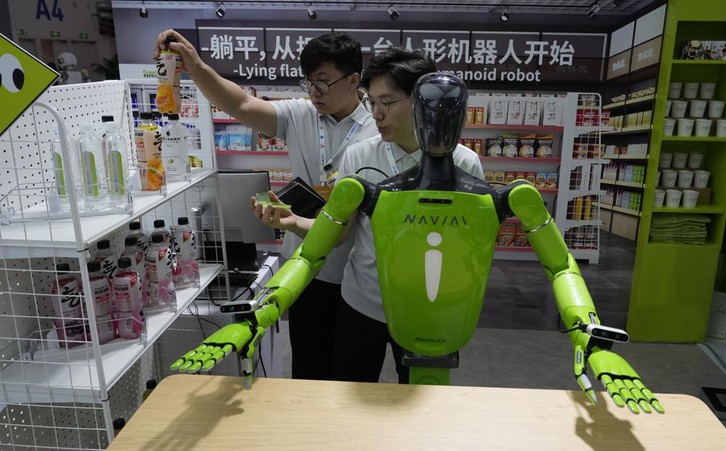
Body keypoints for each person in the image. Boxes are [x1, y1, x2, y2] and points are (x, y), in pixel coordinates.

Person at [154, 30, 377, 380]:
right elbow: (241, 104)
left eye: (323, 83)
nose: (313, 93)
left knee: (352, 376)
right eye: (309, 83)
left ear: (353, 80)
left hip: (357, 273)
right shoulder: (300, 115)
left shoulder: (377, 129)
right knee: (307, 367)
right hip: (303, 269)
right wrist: (195, 67)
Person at [257, 48, 483, 383]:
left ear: (423, 101)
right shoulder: (358, 156)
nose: (376, 113)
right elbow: (342, 232)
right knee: (352, 394)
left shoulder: (463, 164)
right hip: (362, 303)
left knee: (423, 400)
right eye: (372, 102)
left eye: (388, 103)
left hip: (427, 310)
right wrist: (293, 223)